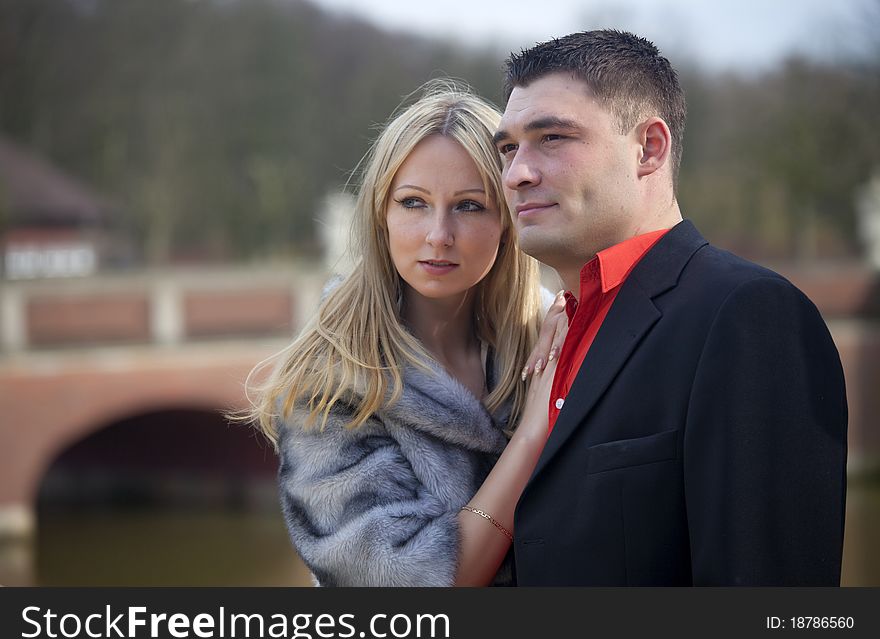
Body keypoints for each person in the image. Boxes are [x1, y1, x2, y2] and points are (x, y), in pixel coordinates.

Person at [495, 30, 848, 585]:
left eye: (552, 138)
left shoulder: (748, 315)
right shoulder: (547, 335)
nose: (517, 173)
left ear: (649, 149)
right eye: (508, 147)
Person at [244, 81, 561, 586]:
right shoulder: (331, 382)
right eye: (413, 203)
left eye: (470, 206)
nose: (439, 235)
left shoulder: (550, 338)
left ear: (506, 219)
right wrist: (532, 434)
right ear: (381, 215)